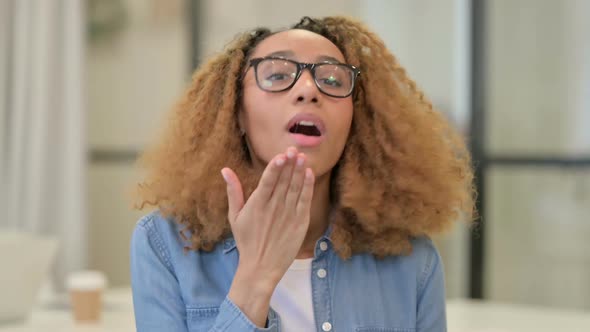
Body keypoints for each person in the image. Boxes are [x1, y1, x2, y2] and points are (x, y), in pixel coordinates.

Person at [130, 15, 475, 332]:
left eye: (332, 79)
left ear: (356, 122)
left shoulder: (412, 259)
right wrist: (256, 277)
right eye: (278, 74)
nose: (309, 89)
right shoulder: (164, 245)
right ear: (236, 113)